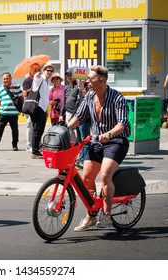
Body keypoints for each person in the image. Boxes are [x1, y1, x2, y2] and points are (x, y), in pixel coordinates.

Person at [67, 65, 131, 231]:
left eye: (90, 79)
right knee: (87, 178)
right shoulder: (89, 96)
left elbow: (122, 124)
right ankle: (91, 215)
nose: (87, 81)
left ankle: (107, 215)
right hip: (96, 142)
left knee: (104, 176)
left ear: (101, 80)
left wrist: (108, 135)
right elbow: (78, 118)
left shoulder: (117, 98)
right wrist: (64, 127)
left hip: (116, 141)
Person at [0, 72, 22, 151]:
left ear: (10, 78)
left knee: (14, 130)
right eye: (4, 79)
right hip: (3, 113)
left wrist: (21, 108)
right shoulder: (0, 89)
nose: (5, 80)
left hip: (13, 113)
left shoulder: (17, 87)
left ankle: (15, 145)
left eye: (6, 79)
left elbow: (21, 98)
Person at [30, 62, 54, 159]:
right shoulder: (41, 79)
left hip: (43, 108)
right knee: (37, 130)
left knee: (40, 130)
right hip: (38, 107)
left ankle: (37, 149)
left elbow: (45, 97)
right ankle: (34, 151)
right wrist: (37, 75)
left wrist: (46, 110)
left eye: (51, 71)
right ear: (43, 71)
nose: (49, 72)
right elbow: (36, 80)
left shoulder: (47, 82)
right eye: (47, 70)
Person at [60, 68, 84, 143]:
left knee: (79, 131)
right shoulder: (66, 88)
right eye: (67, 75)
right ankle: (73, 145)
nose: (69, 77)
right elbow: (64, 102)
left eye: (70, 75)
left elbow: (81, 100)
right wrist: (61, 114)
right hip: (68, 113)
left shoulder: (79, 86)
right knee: (70, 130)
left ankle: (80, 146)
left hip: (77, 113)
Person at [22, 63, 40, 152]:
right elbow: (25, 92)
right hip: (29, 105)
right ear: (30, 70)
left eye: (38, 69)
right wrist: (33, 88)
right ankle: (29, 144)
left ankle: (36, 143)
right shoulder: (27, 80)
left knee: (37, 125)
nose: (37, 71)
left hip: (38, 105)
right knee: (29, 125)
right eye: (35, 70)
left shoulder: (40, 79)